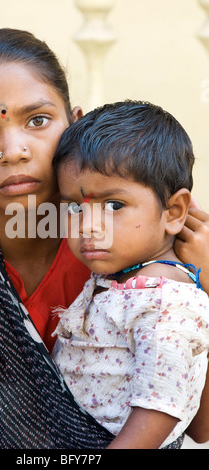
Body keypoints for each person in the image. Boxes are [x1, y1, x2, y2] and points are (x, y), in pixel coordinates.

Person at [0, 28, 208, 449]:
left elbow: (197, 426)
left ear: (75, 124)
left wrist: (206, 282)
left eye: (37, 120)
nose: (13, 150)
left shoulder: (136, 255)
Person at [51, 101, 209, 449]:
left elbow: (160, 405)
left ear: (174, 211)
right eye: (74, 208)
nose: (88, 227)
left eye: (114, 205)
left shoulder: (163, 298)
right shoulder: (120, 278)